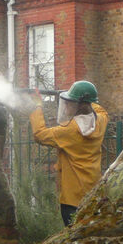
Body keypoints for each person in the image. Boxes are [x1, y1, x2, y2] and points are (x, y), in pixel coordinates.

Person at [27, 80, 108, 226]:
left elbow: (39, 134)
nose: (67, 105)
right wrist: (78, 93)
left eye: (70, 102)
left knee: (75, 242)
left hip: (73, 201)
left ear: (79, 105)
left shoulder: (69, 130)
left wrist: (37, 106)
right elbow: (100, 109)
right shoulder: (100, 120)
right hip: (94, 195)